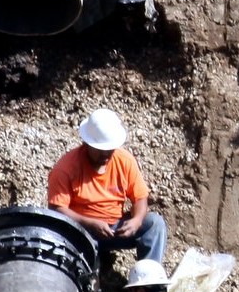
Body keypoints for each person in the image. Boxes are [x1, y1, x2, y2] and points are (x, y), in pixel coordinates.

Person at [47, 108, 166, 265]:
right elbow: (56, 210)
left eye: (110, 150)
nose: (106, 155)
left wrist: (136, 220)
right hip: (81, 231)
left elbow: (140, 197)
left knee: (154, 224)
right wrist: (90, 223)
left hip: (115, 228)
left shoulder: (124, 161)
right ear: (86, 143)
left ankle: (148, 280)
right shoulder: (66, 168)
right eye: (100, 150)